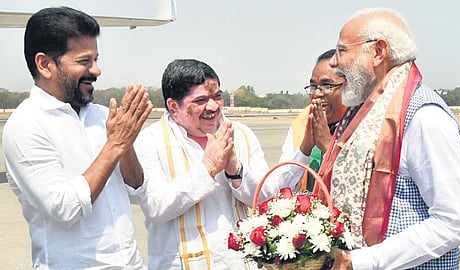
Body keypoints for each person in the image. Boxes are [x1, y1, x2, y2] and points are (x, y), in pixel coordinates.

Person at [318, 7, 460, 269]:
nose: (334, 62)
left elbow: (456, 221)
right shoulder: (364, 111)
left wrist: (362, 261)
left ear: (379, 52)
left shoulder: (424, 117)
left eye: (342, 50)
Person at [3, 7, 152, 269]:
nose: (96, 70)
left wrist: (125, 144)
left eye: (96, 59)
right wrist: (115, 145)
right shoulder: (26, 125)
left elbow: (137, 189)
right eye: (84, 61)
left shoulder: (103, 116)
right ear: (45, 64)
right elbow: (64, 209)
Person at [134, 59, 293, 269]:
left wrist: (235, 171)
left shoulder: (241, 134)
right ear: (173, 106)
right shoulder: (150, 141)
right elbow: (156, 207)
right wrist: (208, 168)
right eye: (200, 101)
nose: (213, 106)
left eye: (217, 96)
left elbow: (266, 199)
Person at [278, 49, 347, 191]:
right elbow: (280, 188)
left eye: (327, 86)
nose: (316, 94)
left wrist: (328, 147)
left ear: (349, 87)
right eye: (313, 87)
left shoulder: (363, 124)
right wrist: (304, 149)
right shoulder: (301, 124)